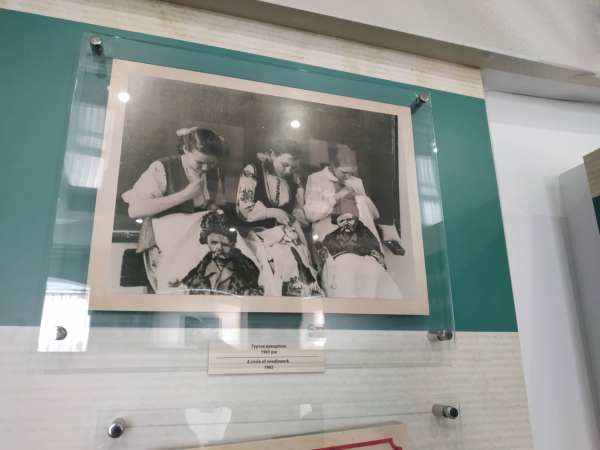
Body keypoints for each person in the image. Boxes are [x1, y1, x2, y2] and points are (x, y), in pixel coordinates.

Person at [122, 126, 231, 292]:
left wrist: (212, 206)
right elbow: (135, 210)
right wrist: (185, 195)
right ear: (186, 149)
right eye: (200, 162)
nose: (205, 168)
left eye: (211, 163)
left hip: (197, 233)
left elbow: (207, 202)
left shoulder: (211, 171)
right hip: (167, 234)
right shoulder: (162, 168)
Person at [236, 141, 323, 297]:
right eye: (285, 165)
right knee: (276, 264)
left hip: (286, 235)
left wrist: (296, 218)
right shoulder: (253, 170)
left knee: (297, 262)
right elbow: (244, 209)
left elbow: (299, 211)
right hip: (257, 234)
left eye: (293, 167)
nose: (288, 170)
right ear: (272, 154)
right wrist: (272, 212)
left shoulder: (294, 179)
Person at [318, 202, 403, 299]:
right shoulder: (331, 236)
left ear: (355, 220)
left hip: (363, 260)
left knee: (373, 275)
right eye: (342, 221)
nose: (346, 223)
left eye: (349, 220)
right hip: (343, 263)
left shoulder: (363, 232)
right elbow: (325, 249)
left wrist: (375, 256)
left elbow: (373, 246)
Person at [180, 211, 263, 296]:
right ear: (207, 242)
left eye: (225, 244)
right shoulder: (202, 267)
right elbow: (188, 288)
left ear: (233, 243)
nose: (219, 248)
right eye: (214, 243)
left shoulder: (246, 268)